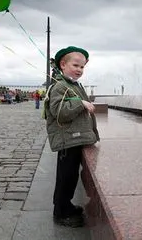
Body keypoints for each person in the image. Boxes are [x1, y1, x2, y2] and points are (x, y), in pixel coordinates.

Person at [43, 46, 100, 228]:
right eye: (75, 65)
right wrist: (80, 103)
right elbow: (59, 112)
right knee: (65, 178)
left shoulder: (73, 85)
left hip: (76, 138)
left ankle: (66, 205)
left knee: (71, 177)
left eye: (82, 67)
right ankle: (60, 212)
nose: (79, 70)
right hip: (68, 140)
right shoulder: (59, 86)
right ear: (63, 64)